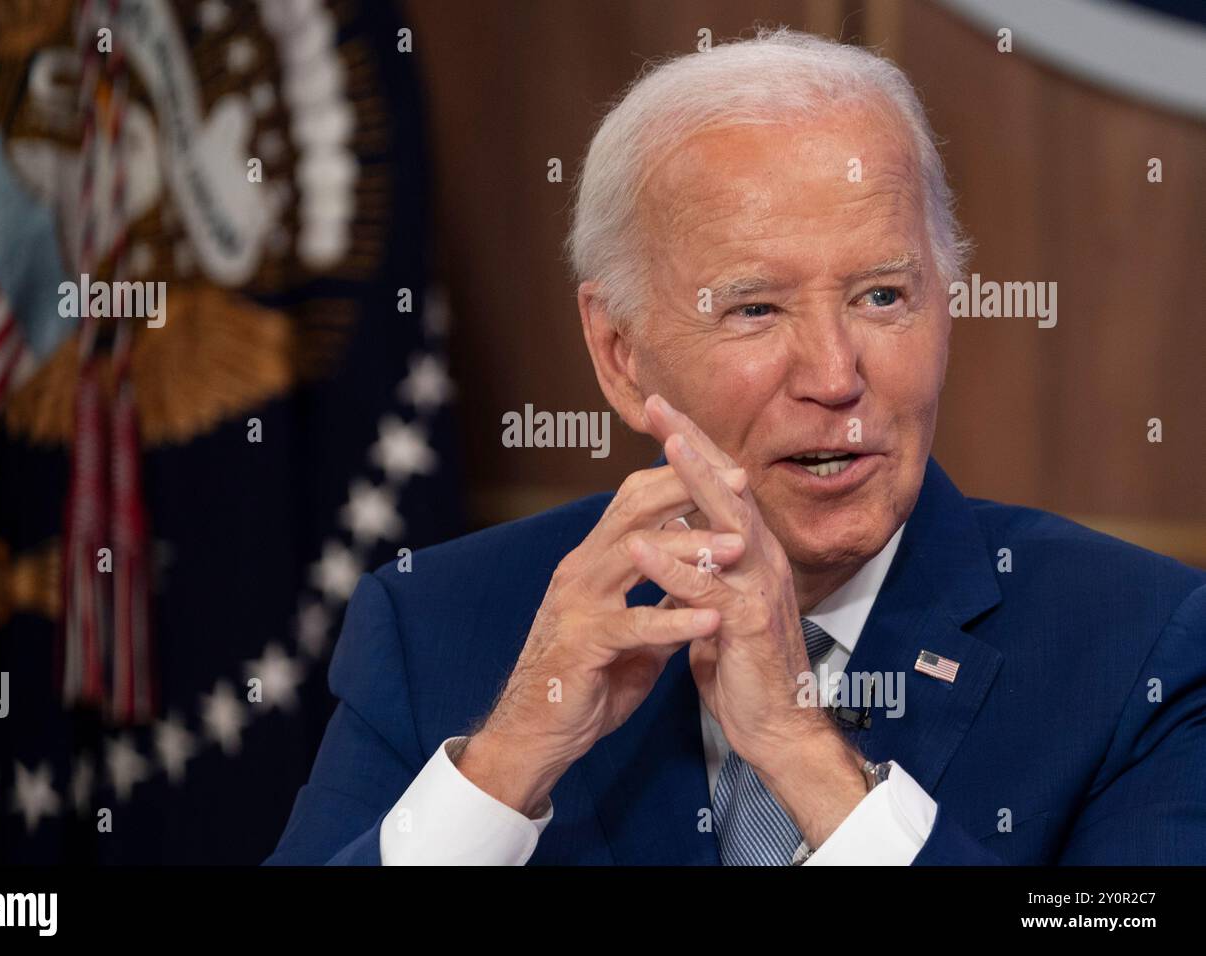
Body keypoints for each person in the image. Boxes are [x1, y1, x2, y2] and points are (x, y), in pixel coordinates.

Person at [266, 28, 1206, 866]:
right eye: (755, 309)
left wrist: (805, 752)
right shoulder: (437, 626)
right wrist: (504, 766)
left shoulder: (1138, 650)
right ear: (619, 353)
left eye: (883, 295)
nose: (836, 374)